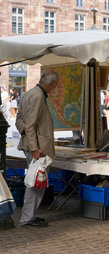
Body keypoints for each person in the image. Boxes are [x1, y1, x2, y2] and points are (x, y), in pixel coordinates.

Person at [15, 70, 59, 227]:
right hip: (37, 147)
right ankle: (27, 218)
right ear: (51, 83)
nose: (54, 89)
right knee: (35, 182)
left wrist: (24, 129)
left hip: (33, 144)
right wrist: (34, 147)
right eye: (54, 86)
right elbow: (31, 124)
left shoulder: (29, 93)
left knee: (35, 181)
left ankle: (29, 215)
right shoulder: (38, 96)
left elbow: (19, 119)